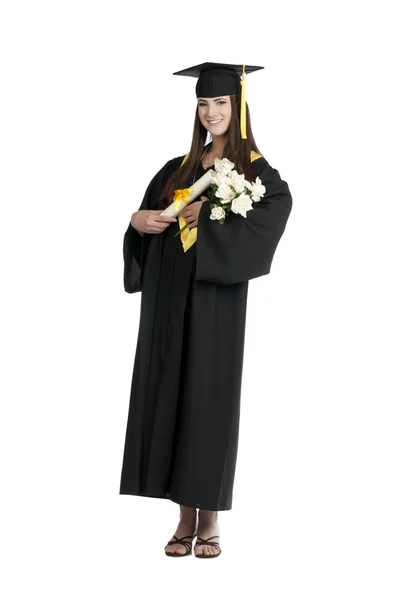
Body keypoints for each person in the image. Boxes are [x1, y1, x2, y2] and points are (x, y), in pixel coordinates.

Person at [119, 62, 293, 558]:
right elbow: (150, 219)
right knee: (171, 393)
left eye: (220, 103)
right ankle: (182, 516)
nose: (211, 111)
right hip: (170, 299)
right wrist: (136, 221)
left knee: (207, 400)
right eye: (204, 103)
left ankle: (209, 517)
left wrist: (209, 224)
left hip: (214, 301)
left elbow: (275, 214)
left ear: (236, 108)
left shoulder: (253, 171)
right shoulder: (178, 167)